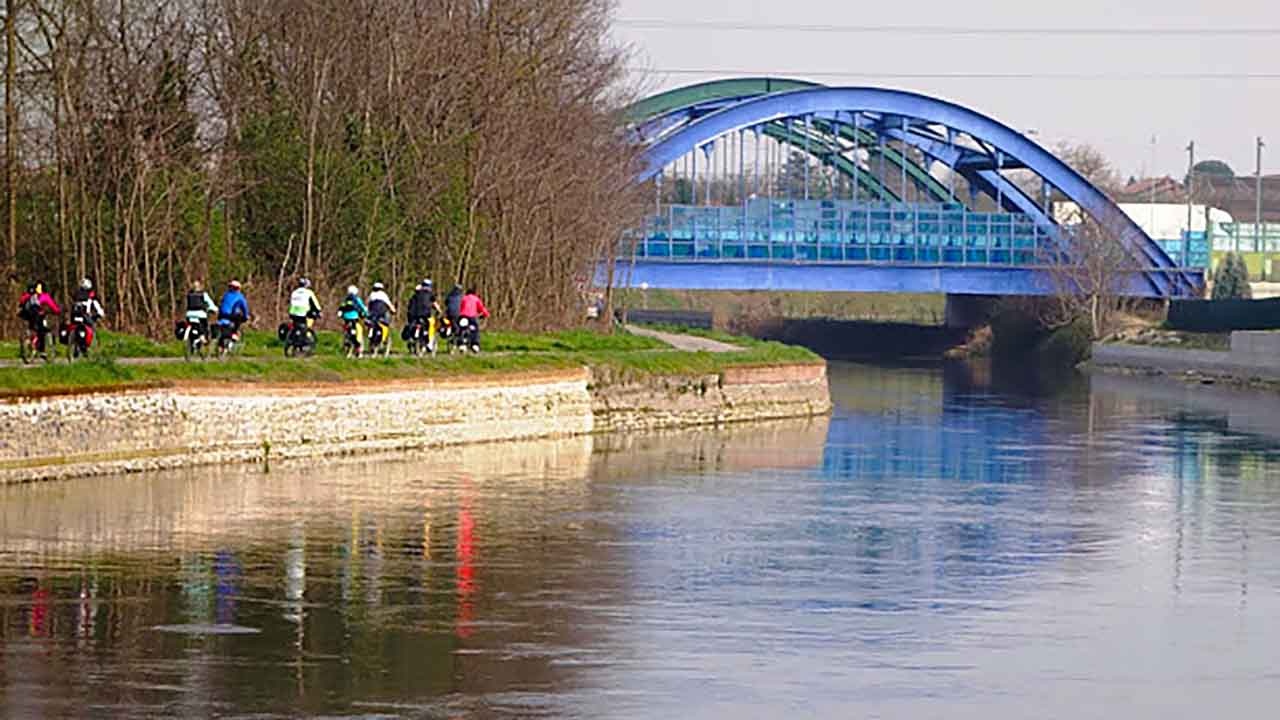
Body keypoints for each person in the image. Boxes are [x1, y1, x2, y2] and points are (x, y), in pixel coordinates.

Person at [17, 282, 62, 353]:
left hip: (27, 315)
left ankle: (29, 340)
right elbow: (52, 305)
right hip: (38, 315)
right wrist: (57, 311)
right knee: (42, 330)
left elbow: (21, 302)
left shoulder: (28, 295)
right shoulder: (44, 296)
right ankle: (42, 350)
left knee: (32, 327)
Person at [67, 278, 105, 350]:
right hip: (85, 317)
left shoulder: (76, 296)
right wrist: (99, 314)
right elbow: (98, 308)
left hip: (75, 317)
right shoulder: (91, 298)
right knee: (92, 327)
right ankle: (91, 346)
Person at [338, 285, 368, 354]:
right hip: (354, 318)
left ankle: (345, 340)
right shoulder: (357, 299)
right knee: (359, 330)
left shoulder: (345, 299)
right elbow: (362, 307)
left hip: (345, 318)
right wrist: (366, 314)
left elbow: (341, 307)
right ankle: (358, 346)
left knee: (346, 328)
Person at [458, 286, 490, 353]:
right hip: (472, 317)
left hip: (463, 316)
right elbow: (481, 308)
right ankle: (475, 344)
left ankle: (461, 344)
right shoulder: (476, 299)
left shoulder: (463, 298)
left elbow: (460, 308)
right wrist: (486, 314)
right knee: (475, 330)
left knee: (461, 329)